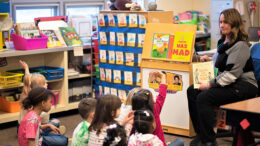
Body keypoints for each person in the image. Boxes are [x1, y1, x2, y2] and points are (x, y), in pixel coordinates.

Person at [187, 8, 258, 146]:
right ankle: (201, 134)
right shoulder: (224, 43)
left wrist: (208, 85)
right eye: (220, 22)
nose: (221, 25)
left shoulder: (240, 45)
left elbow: (231, 74)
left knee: (203, 97)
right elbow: (221, 65)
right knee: (192, 91)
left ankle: (209, 141)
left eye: (225, 22)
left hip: (244, 86)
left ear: (234, 23)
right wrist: (208, 61)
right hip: (231, 83)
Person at [18, 60, 68, 146]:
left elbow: (37, 126)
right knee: (63, 141)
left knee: (56, 124)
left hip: (37, 132)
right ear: (42, 103)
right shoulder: (32, 120)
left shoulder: (34, 113)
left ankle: (49, 134)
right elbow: (31, 143)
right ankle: (49, 136)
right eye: (49, 102)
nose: (51, 104)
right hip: (37, 140)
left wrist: (48, 126)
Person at [132, 71, 168, 145]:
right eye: (153, 98)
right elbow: (162, 95)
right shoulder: (155, 110)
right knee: (179, 142)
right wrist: (163, 77)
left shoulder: (133, 117)